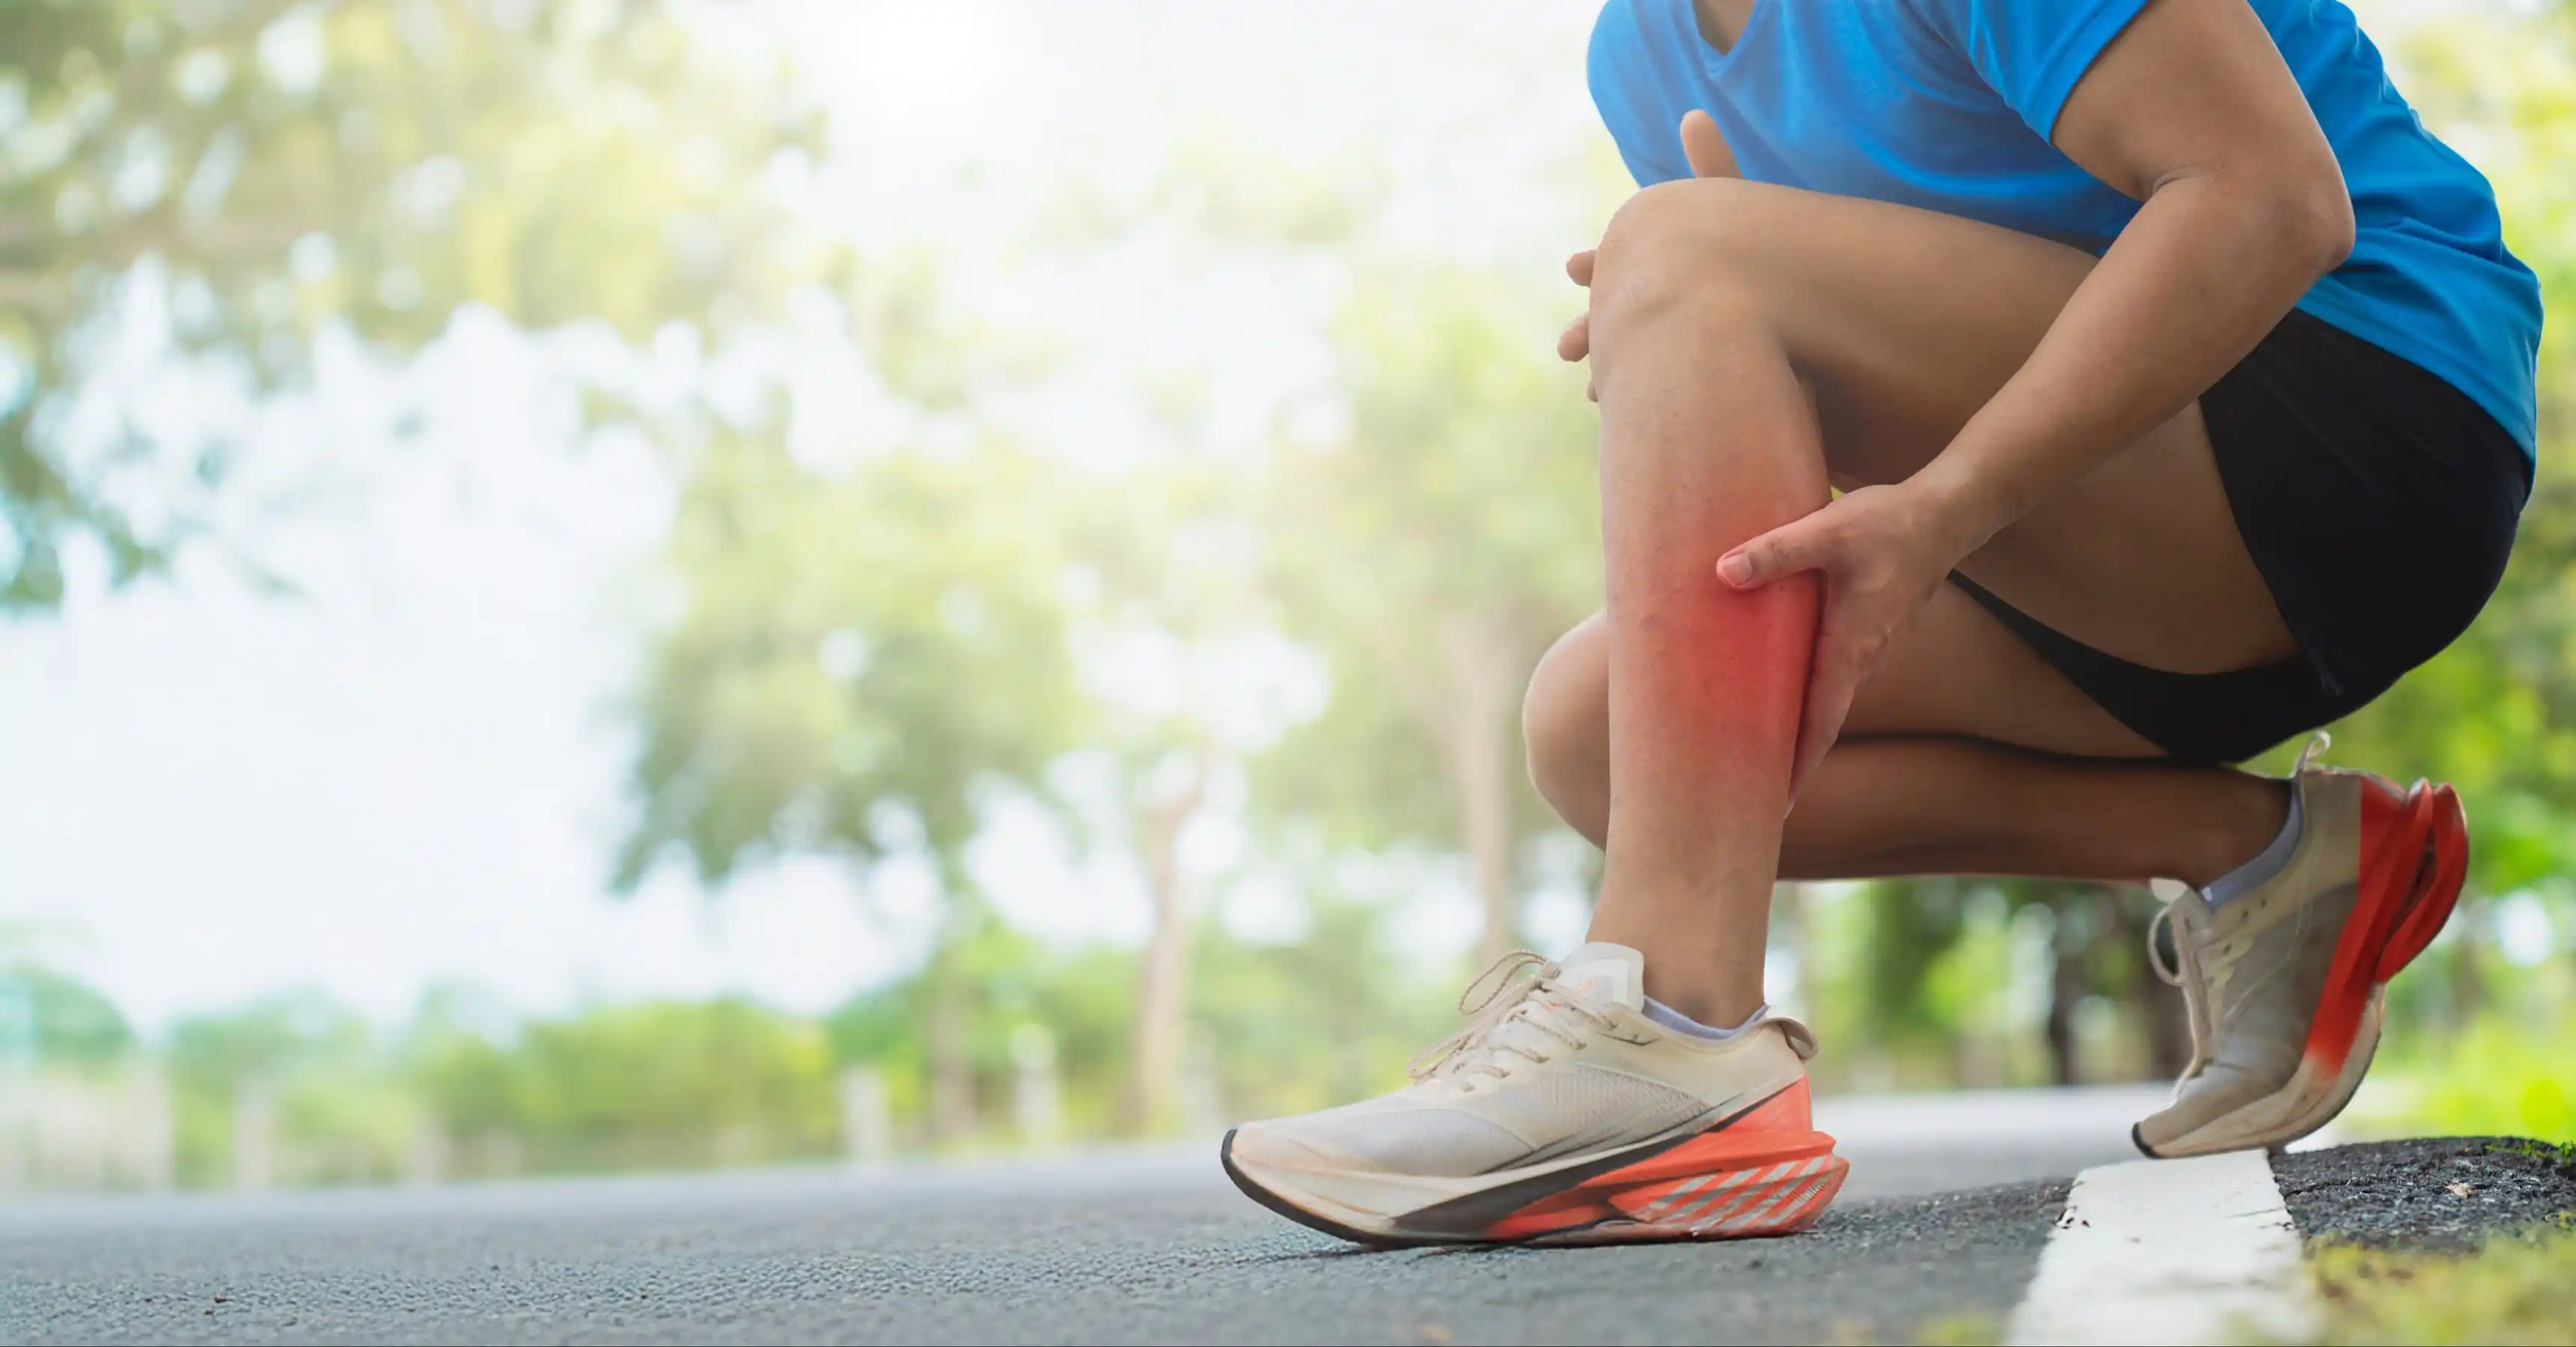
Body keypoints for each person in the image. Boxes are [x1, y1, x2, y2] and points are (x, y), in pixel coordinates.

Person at [1221, 0, 2537, 1247]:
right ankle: (2267, 855)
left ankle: (1669, 1024)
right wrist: (1716, 349)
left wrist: (1923, 481)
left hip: (2370, 433)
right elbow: (1861, 345)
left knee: (1684, 251)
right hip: (2108, 561)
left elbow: (2268, 200)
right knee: (1591, 732)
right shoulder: (1639, 56)